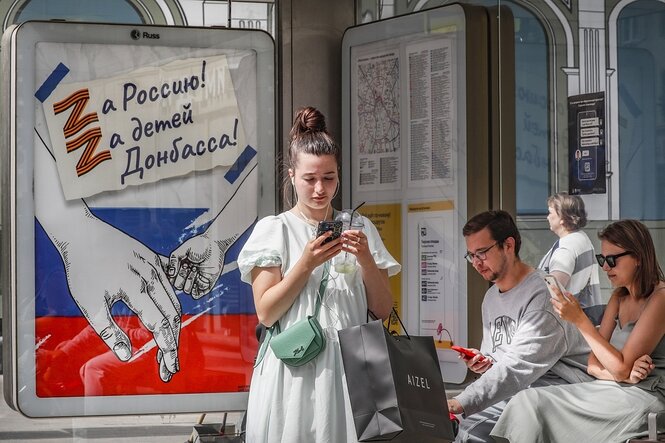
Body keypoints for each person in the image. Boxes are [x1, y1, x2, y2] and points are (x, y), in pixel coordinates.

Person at [237, 106, 400, 442]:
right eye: (310, 179)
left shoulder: (359, 227)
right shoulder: (274, 230)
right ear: (292, 176)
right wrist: (306, 263)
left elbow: (383, 309)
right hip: (294, 372)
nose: (319, 189)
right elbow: (266, 312)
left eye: (329, 178)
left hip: (352, 370)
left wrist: (367, 259)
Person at [491, 219, 665, 442]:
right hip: (613, 387)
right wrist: (623, 376)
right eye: (602, 259)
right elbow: (593, 366)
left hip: (646, 396)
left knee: (539, 407)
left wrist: (580, 320)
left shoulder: (659, 298)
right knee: (528, 400)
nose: (605, 267)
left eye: (612, 260)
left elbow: (620, 368)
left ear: (639, 257)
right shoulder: (619, 298)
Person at [447, 210, 592, 443]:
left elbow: (518, 367)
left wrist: (461, 401)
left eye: (482, 253)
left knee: (470, 432)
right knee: (451, 429)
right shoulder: (491, 297)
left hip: (559, 398)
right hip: (518, 394)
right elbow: (504, 361)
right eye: (471, 255)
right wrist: (486, 362)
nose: (476, 263)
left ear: (508, 245)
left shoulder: (545, 295)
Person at [538, 192, 604, 323]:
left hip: (568, 325)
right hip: (584, 320)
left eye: (550, 213)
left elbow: (554, 288)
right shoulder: (582, 238)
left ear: (562, 217)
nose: (547, 217)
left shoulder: (566, 247)